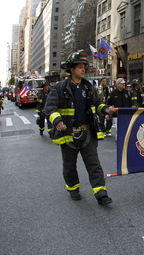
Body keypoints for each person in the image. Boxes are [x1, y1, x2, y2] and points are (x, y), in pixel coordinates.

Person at [45, 50, 116, 205]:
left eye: (84, 66)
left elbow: (97, 105)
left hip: (86, 132)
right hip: (68, 133)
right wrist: (57, 121)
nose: (83, 69)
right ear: (71, 70)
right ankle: (73, 188)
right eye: (79, 67)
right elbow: (49, 107)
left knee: (94, 163)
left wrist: (105, 109)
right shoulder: (59, 88)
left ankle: (101, 193)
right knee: (69, 165)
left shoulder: (88, 87)